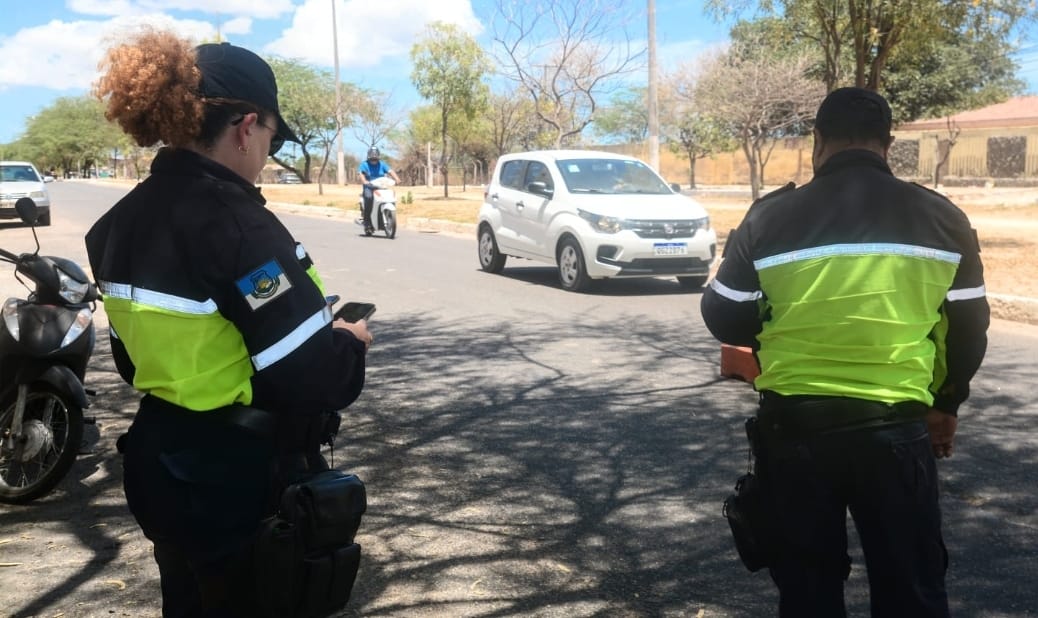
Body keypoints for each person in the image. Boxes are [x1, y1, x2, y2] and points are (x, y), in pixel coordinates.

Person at [87, 30, 373, 617]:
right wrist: (348, 342)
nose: (267, 151)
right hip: (243, 484)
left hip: (163, 469)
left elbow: (129, 358)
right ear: (247, 125)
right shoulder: (238, 225)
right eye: (271, 135)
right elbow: (311, 377)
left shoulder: (115, 224)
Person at [701, 87, 989, 617]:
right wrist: (946, 404)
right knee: (912, 591)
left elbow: (722, 313)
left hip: (795, 436)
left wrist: (773, 322)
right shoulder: (941, 217)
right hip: (898, 434)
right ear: (888, 143)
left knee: (808, 592)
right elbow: (969, 330)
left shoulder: (770, 217)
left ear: (817, 141)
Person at [358, 146, 400, 235]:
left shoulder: (382, 164)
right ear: (369, 158)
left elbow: (390, 171)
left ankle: (389, 216)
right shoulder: (364, 164)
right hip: (369, 187)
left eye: (375, 159)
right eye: (372, 159)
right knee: (369, 198)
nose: (374, 161)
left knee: (390, 197)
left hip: (382, 187)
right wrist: (365, 181)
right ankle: (367, 222)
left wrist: (397, 178)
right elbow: (361, 174)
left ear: (378, 158)